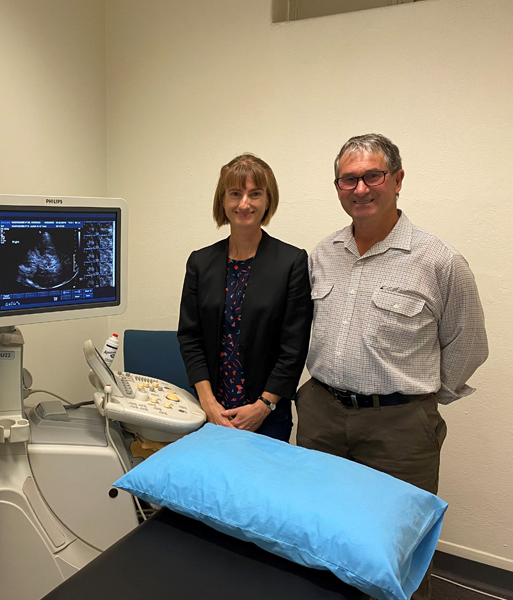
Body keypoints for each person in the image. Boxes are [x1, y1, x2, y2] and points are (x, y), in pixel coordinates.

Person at [296, 133, 488, 600]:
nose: (360, 189)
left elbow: (469, 346)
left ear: (397, 180)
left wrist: (415, 401)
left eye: (372, 176)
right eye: (348, 179)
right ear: (337, 186)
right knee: (319, 532)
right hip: (321, 415)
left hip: (400, 427)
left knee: (398, 548)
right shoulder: (321, 255)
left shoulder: (438, 260)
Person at [178, 153, 313, 441]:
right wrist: (209, 404)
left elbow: (294, 346)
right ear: (222, 200)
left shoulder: (291, 262)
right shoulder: (200, 263)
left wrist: (263, 406)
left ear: (267, 201)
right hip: (210, 411)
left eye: (255, 194)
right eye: (235, 194)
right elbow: (190, 337)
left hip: (267, 414)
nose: (244, 204)